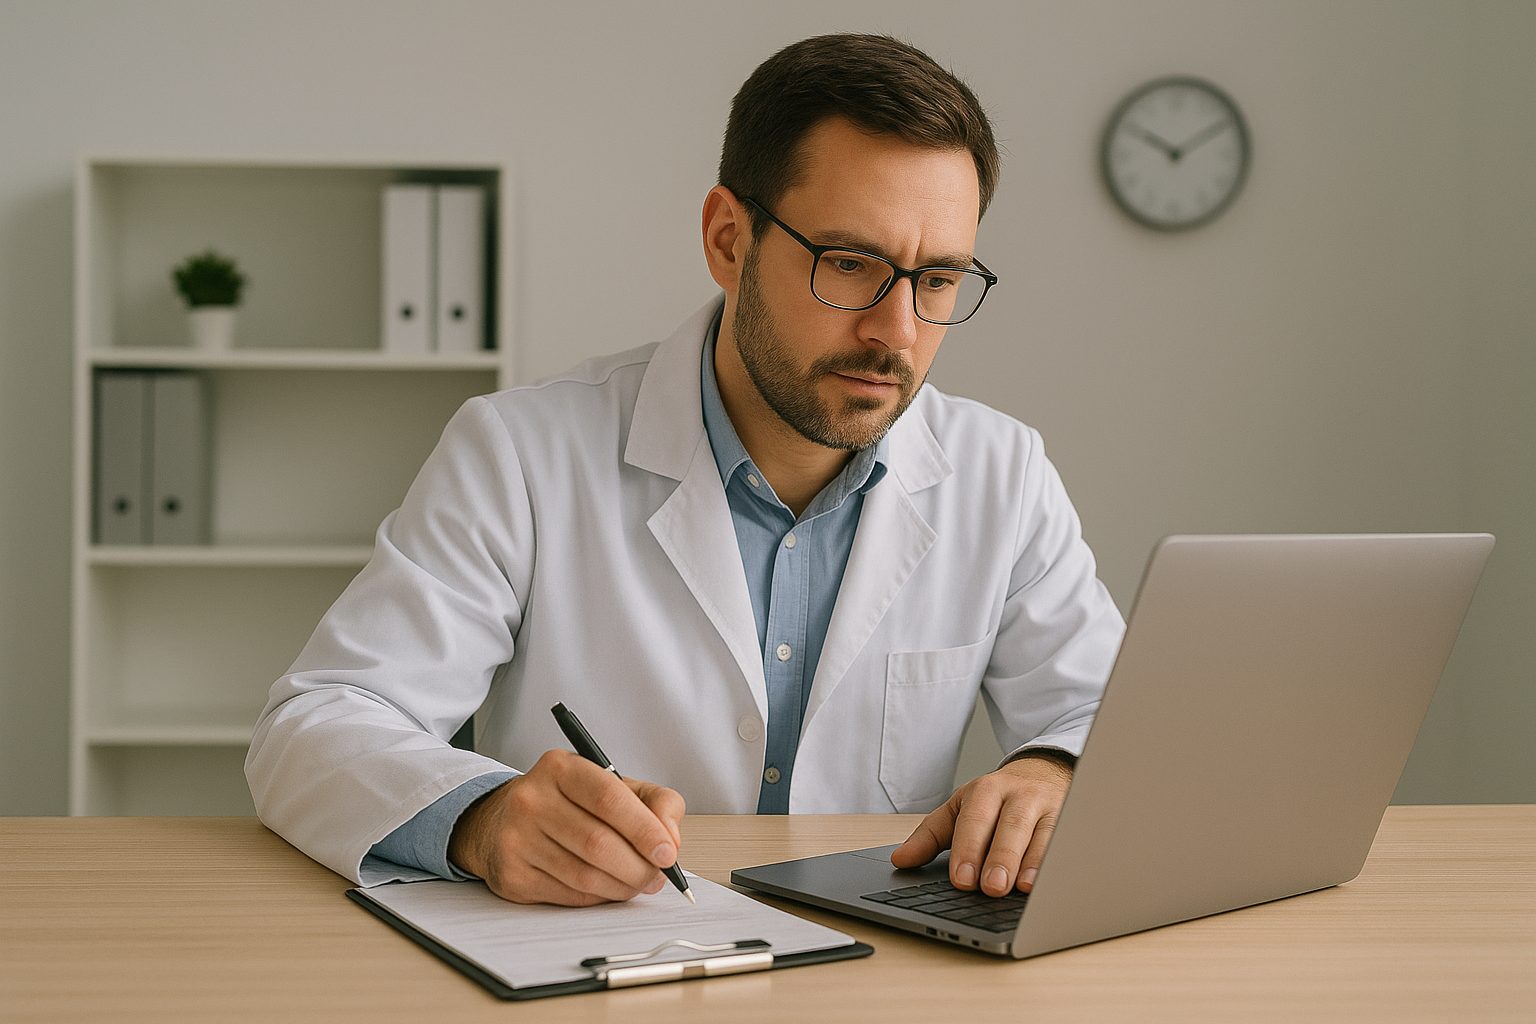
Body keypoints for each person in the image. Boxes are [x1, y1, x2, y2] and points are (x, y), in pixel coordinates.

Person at [247, 32, 1124, 909]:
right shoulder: (520, 452)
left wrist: (1058, 770)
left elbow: (1112, 721)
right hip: (602, 957)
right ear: (728, 239)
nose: (896, 331)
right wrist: (480, 820)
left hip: (884, 968)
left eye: (937, 280)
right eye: (849, 264)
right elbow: (316, 726)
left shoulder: (1001, 473)